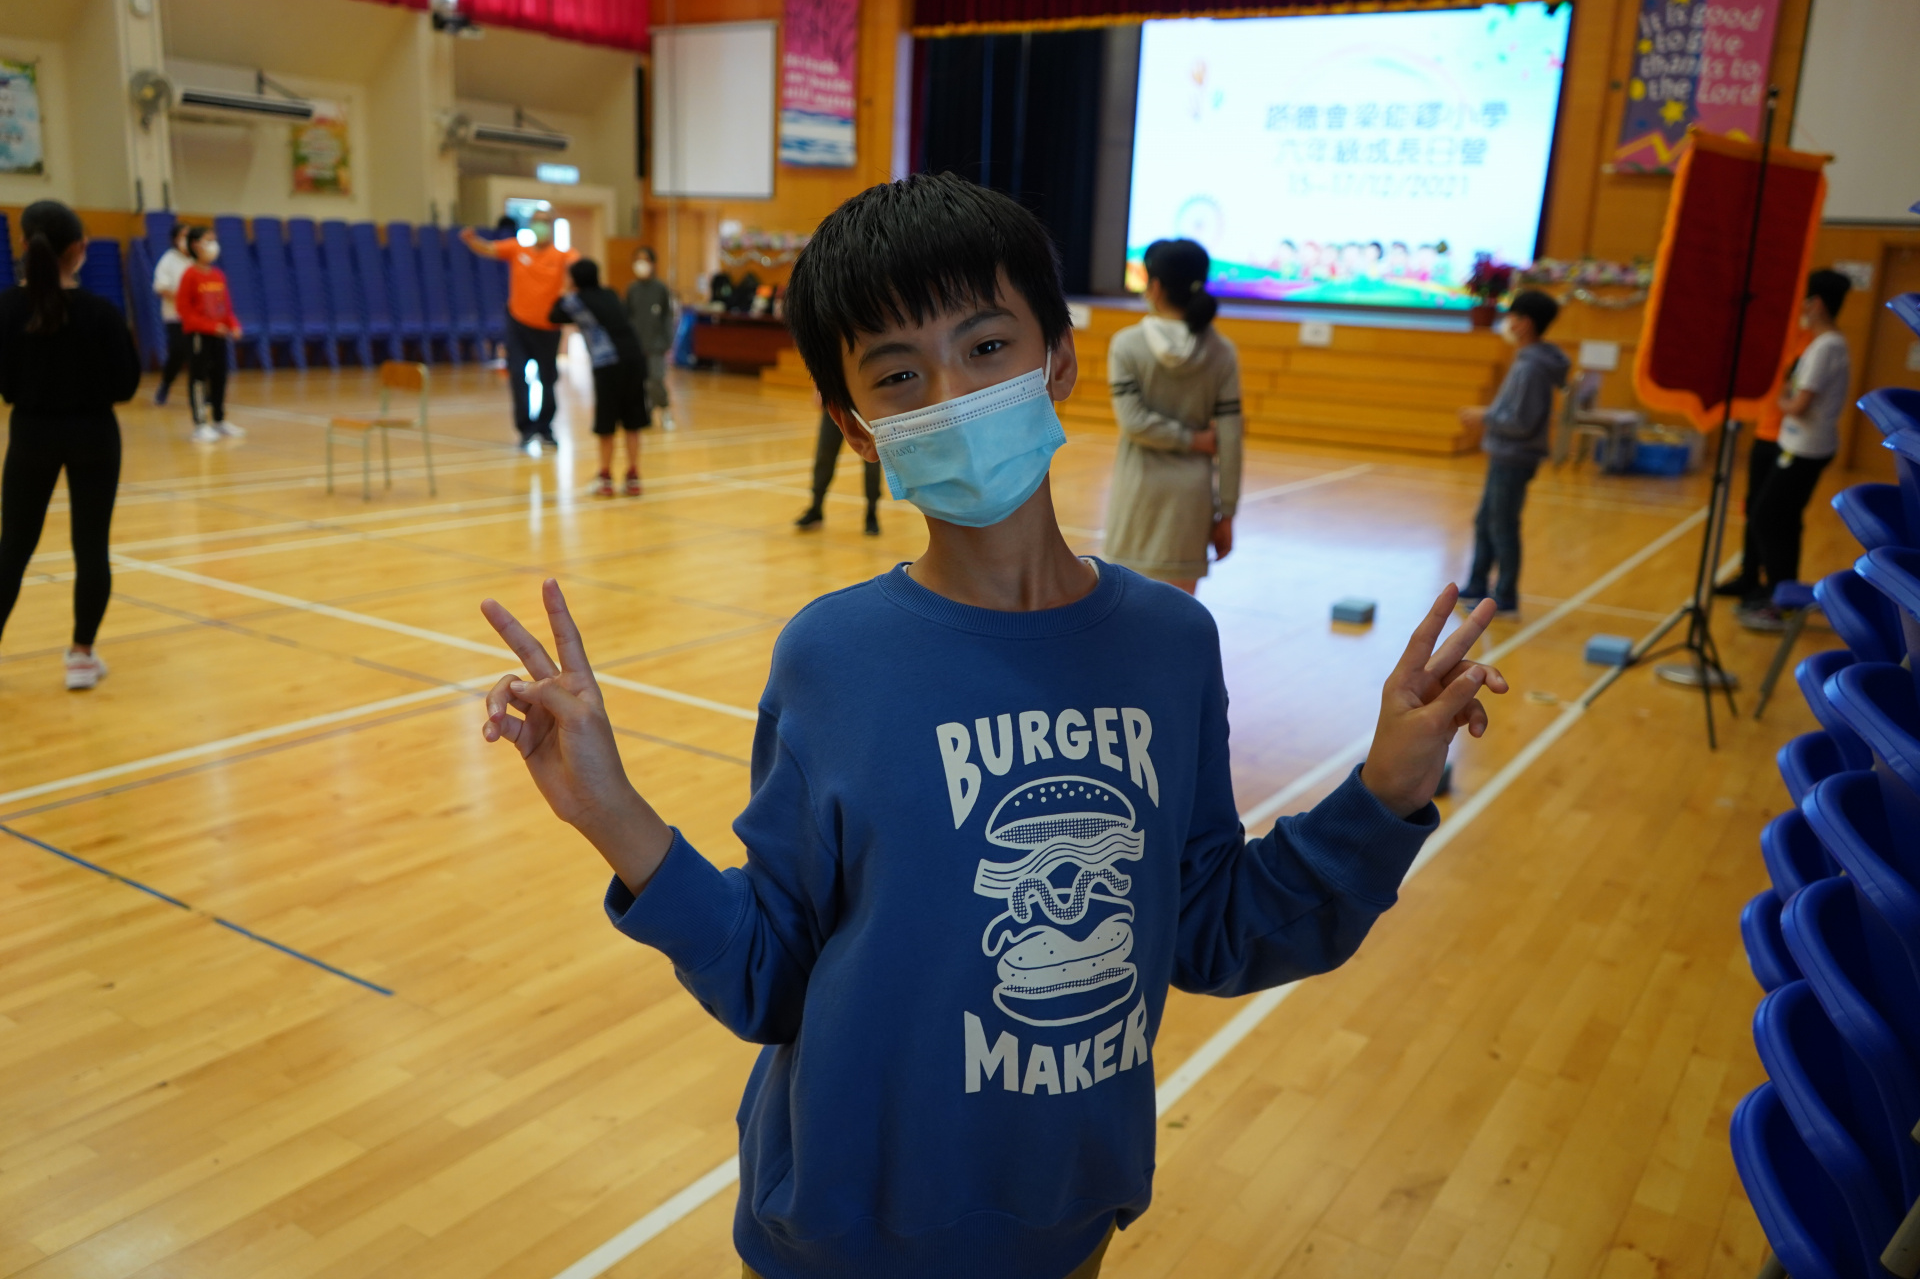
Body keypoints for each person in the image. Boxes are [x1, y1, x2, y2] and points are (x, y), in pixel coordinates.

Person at [476, 172, 1508, 1279]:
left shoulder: (1169, 643)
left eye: (985, 346)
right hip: (839, 1237)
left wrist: (1384, 794)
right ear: (857, 428)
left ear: (1057, 360)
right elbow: (769, 973)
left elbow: (1211, 926)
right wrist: (612, 814)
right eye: (899, 374)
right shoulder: (832, 657)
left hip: (1064, 1219)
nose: (954, 394)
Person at [0, 200, 142, 689]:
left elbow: (4, 383)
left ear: (24, 244)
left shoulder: (6, 309)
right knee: (91, 546)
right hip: (94, 436)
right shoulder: (102, 314)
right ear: (80, 248)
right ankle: (81, 656)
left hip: (31, 434)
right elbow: (126, 385)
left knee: (13, 548)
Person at [1104, 238, 1242, 594]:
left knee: (1127, 615)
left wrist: (1187, 439)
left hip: (1137, 497)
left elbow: (1133, 422)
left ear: (1155, 287)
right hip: (1191, 505)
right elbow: (1231, 439)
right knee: (1179, 618)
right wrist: (1227, 512)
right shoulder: (1222, 351)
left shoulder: (1126, 344)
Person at [1736, 269, 1853, 631]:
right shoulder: (1827, 344)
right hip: (1800, 444)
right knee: (1781, 521)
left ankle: (1780, 603)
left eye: (1805, 300)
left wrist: (1777, 397)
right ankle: (1782, 596)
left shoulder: (1826, 346)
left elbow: (1799, 404)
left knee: (1767, 518)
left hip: (1805, 448)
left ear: (1816, 305)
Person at [1458, 289, 1568, 616]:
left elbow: (1522, 421)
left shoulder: (1531, 367)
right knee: (1485, 521)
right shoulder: (1527, 360)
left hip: (1515, 457)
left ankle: (1504, 596)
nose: (1508, 322)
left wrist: (1485, 416)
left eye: (1513, 316)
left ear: (1525, 323)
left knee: (1502, 525)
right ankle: (1478, 584)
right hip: (1506, 453)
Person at [461, 210, 577, 453]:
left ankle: (545, 427)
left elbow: (579, 267)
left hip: (548, 328)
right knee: (516, 374)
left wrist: (570, 290)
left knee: (548, 379)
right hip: (518, 324)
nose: (540, 226)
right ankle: (526, 429)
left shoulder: (561, 255)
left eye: (545, 222)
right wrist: (472, 240)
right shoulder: (517, 249)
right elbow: (488, 248)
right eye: (537, 222)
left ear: (551, 227)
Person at [1714, 324, 1812, 603]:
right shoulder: (1781, 336)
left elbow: (1791, 389)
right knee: (1753, 507)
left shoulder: (1810, 344)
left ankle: (1777, 587)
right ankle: (1749, 577)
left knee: (1773, 516)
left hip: (1788, 440)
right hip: (1764, 434)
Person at [550, 258, 646, 497]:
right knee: (633, 421)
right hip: (635, 359)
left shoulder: (575, 300)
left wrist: (564, 292)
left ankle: (605, 478)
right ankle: (633, 477)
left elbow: (553, 316)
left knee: (606, 422)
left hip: (608, 363)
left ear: (575, 279)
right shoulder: (611, 294)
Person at [176, 226, 244, 443]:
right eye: (208, 240)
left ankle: (219, 420)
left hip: (219, 336)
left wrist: (233, 325)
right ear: (195, 244)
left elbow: (226, 308)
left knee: (219, 377)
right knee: (198, 378)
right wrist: (209, 327)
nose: (214, 245)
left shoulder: (218, 275)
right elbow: (184, 311)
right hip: (199, 336)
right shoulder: (189, 275)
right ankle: (200, 424)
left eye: (214, 240)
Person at [794, 404, 880, 534]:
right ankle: (816, 508)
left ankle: (871, 513)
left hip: (865, 407)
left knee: (872, 461)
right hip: (836, 404)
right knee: (824, 455)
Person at [623, 245, 676, 428]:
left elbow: (667, 317)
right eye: (638, 260)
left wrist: (667, 342)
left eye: (645, 260)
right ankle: (645, 412)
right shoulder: (632, 289)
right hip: (636, 345)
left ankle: (664, 409)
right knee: (639, 383)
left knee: (655, 379)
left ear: (653, 263)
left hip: (656, 345)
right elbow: (626, 316)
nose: (641, 264)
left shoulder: (660, 288)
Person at [151, 222, 193, 405]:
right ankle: (166, 384)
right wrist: (184, 297)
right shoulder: (168, 260)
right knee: (178, 351)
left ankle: (201, 392)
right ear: (175, 239)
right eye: (183, 236)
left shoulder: (196, 261)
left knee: (201, 355)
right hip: (175, 316)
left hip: (197, 317)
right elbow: (161, 287)